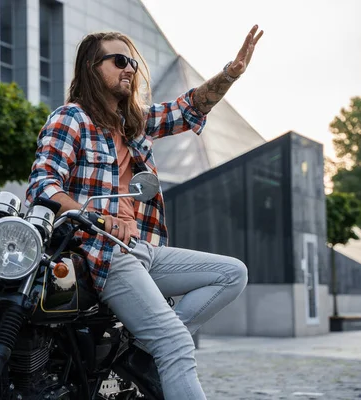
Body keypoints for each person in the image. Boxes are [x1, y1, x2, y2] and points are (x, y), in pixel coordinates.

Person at [26, 25, 263, 400]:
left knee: (232, 273)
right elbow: (43, 185)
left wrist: (230, 73)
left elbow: (188, 109)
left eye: (133, 62)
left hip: (139, 249)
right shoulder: (71, 119)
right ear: (91, 66)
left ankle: (138, 351)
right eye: (119, 60)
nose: (129, 69)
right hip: (102, 253)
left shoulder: (132, 123)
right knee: (176, 346)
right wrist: (99, 221)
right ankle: (160, 344)